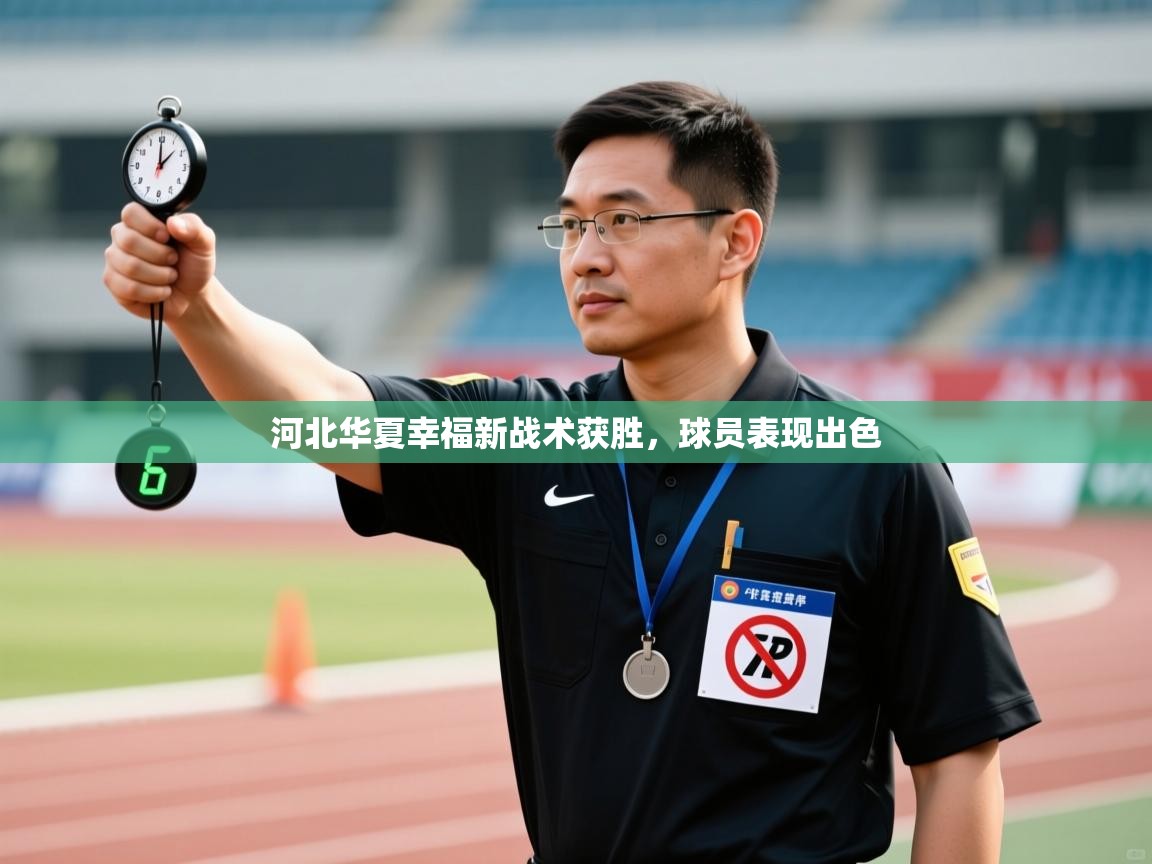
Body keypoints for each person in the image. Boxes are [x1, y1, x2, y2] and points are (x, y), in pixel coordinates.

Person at [104, 81, 1040, 864]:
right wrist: (197, 304)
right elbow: (322, 401)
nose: (587, 257)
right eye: (571, 225)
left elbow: (959, 759)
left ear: (736, 241)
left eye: (624, 221)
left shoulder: (878, 473)